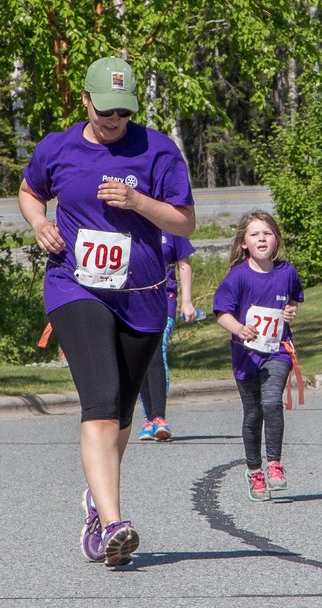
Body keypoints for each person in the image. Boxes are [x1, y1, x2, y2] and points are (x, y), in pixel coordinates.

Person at [18, 56, 195, 567]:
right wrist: (38, 223)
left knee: (120, 414)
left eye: (124, 110)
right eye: (106, 109)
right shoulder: (57, 147)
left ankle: (98, 499)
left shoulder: (157, 149)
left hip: (141, 294)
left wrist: (138, 202)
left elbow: (183, 223)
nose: (115, 118)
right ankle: (112, 525)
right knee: (100, 399)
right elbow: (30, 191)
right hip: (74, 285)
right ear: (86, 100)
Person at [213, 210, 304, 501]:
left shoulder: (286, 271)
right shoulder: (238, 276)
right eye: (254, 234)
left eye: (267, 232)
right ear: (244, 243)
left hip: (278, 351)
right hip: (246, 355)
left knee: (271, 402)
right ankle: (255, 470)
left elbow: (291, 303)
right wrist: (239, 328)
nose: (262, 238)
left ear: (276, 238)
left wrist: (291, 312)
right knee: (253, 414)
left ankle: (275, 464)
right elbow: (222, 314)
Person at [137, 232, 197, 441]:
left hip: (164, 299)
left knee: (157, 351)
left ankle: (159, 418)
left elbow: (184, 263)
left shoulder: (170, 226)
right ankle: (149, 420)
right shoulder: (131, 219)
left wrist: (187, 301)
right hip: (134, 301)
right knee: (140, 359)